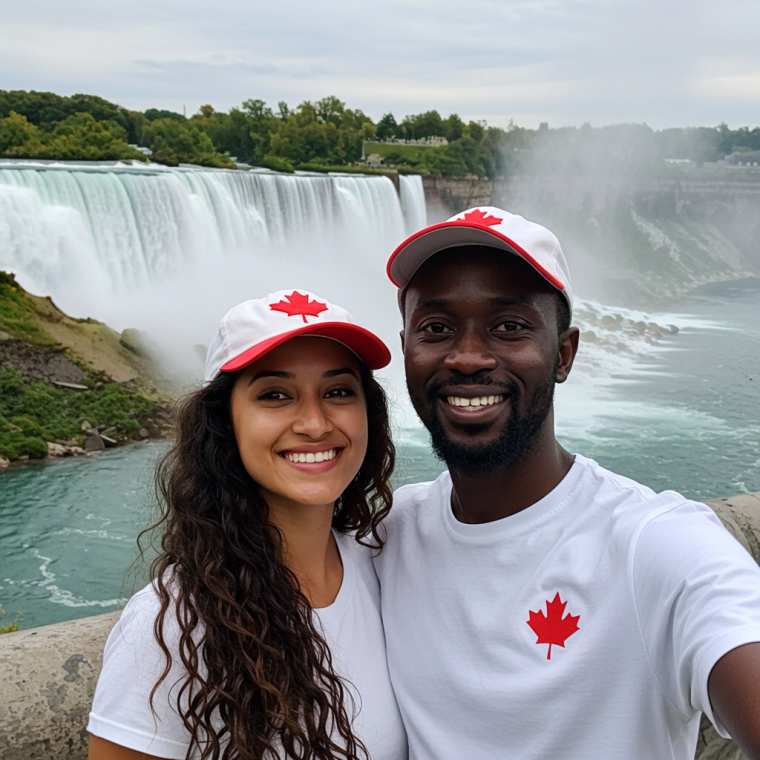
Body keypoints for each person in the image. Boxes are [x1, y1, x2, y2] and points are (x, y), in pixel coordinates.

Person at [373, 207, 760, 760]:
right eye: (436, 329)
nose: (467, 358)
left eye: (509, 327)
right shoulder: (388, 538)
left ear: (564, 353)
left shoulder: (656, 546)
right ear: (407, 348)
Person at [87, 290, 407, 760]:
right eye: (275, 395)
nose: (316, 424)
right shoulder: (175, 625)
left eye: (338, 391)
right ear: (224, 423)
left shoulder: (383, 566)